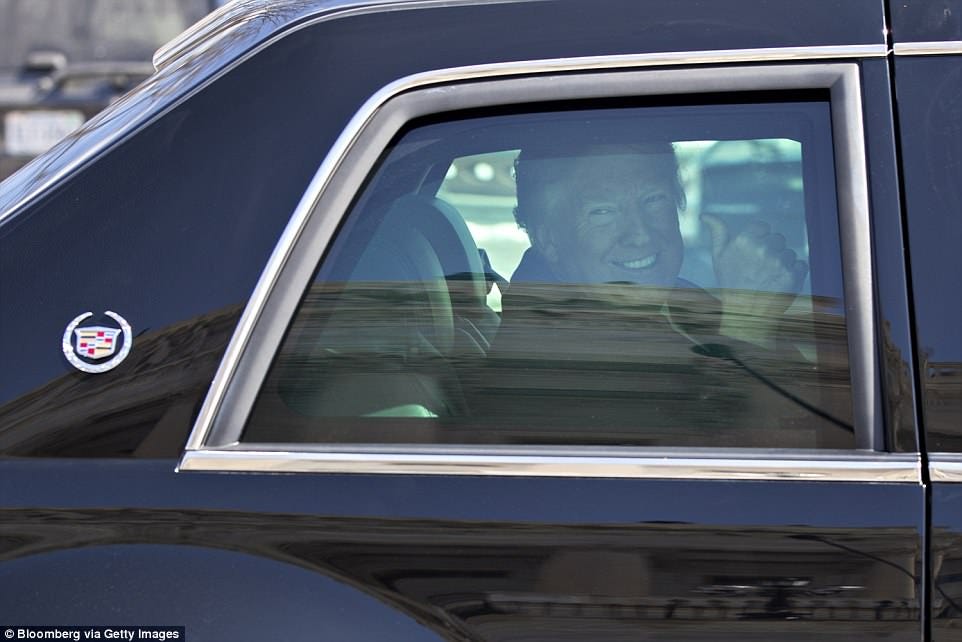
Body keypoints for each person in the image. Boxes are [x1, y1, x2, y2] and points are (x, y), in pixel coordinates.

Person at [477, 139, 851, 448]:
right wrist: (747, 323)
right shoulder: (546, 351)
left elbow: (821, 408)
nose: (640, 234)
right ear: (550, 240)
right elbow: (705, 468)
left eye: (653, 200)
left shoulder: (671, 300)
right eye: (603, 212)